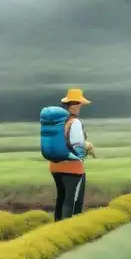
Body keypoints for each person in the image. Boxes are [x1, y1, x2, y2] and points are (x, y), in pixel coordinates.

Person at [49, 88, 94, 221]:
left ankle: (56, 228)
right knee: (72, 201)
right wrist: (88, 145)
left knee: (61, 199)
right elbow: (77, 143)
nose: (81, 106)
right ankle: (70, 228)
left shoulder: (57, 121)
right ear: (75, 105)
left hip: (55, 166)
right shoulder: (75, 122)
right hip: (72, 167)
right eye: (80, 104)